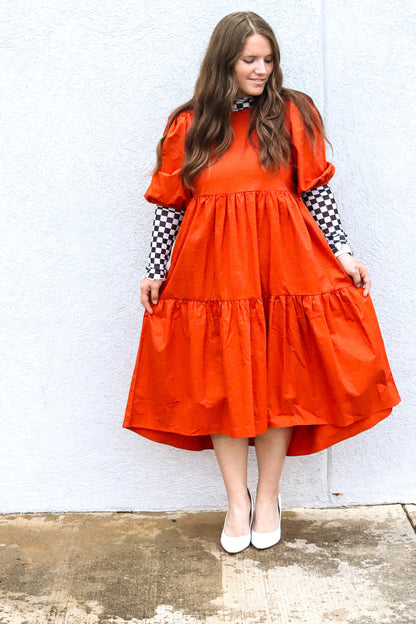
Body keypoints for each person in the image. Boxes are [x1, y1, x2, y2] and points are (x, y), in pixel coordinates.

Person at [123, 11, 401, 553]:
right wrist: (156, 271)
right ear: (224, 60)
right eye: (250, 59)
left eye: (267, 59)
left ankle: (268, 497)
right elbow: (169, 208)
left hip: (283, 264)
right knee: (223, 385)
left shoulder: (291, 113)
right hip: (211, 271)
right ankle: (237, 501)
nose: (261, 69)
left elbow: (316, 192)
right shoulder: (189, 124)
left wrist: (343, 253)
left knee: (279, 383)